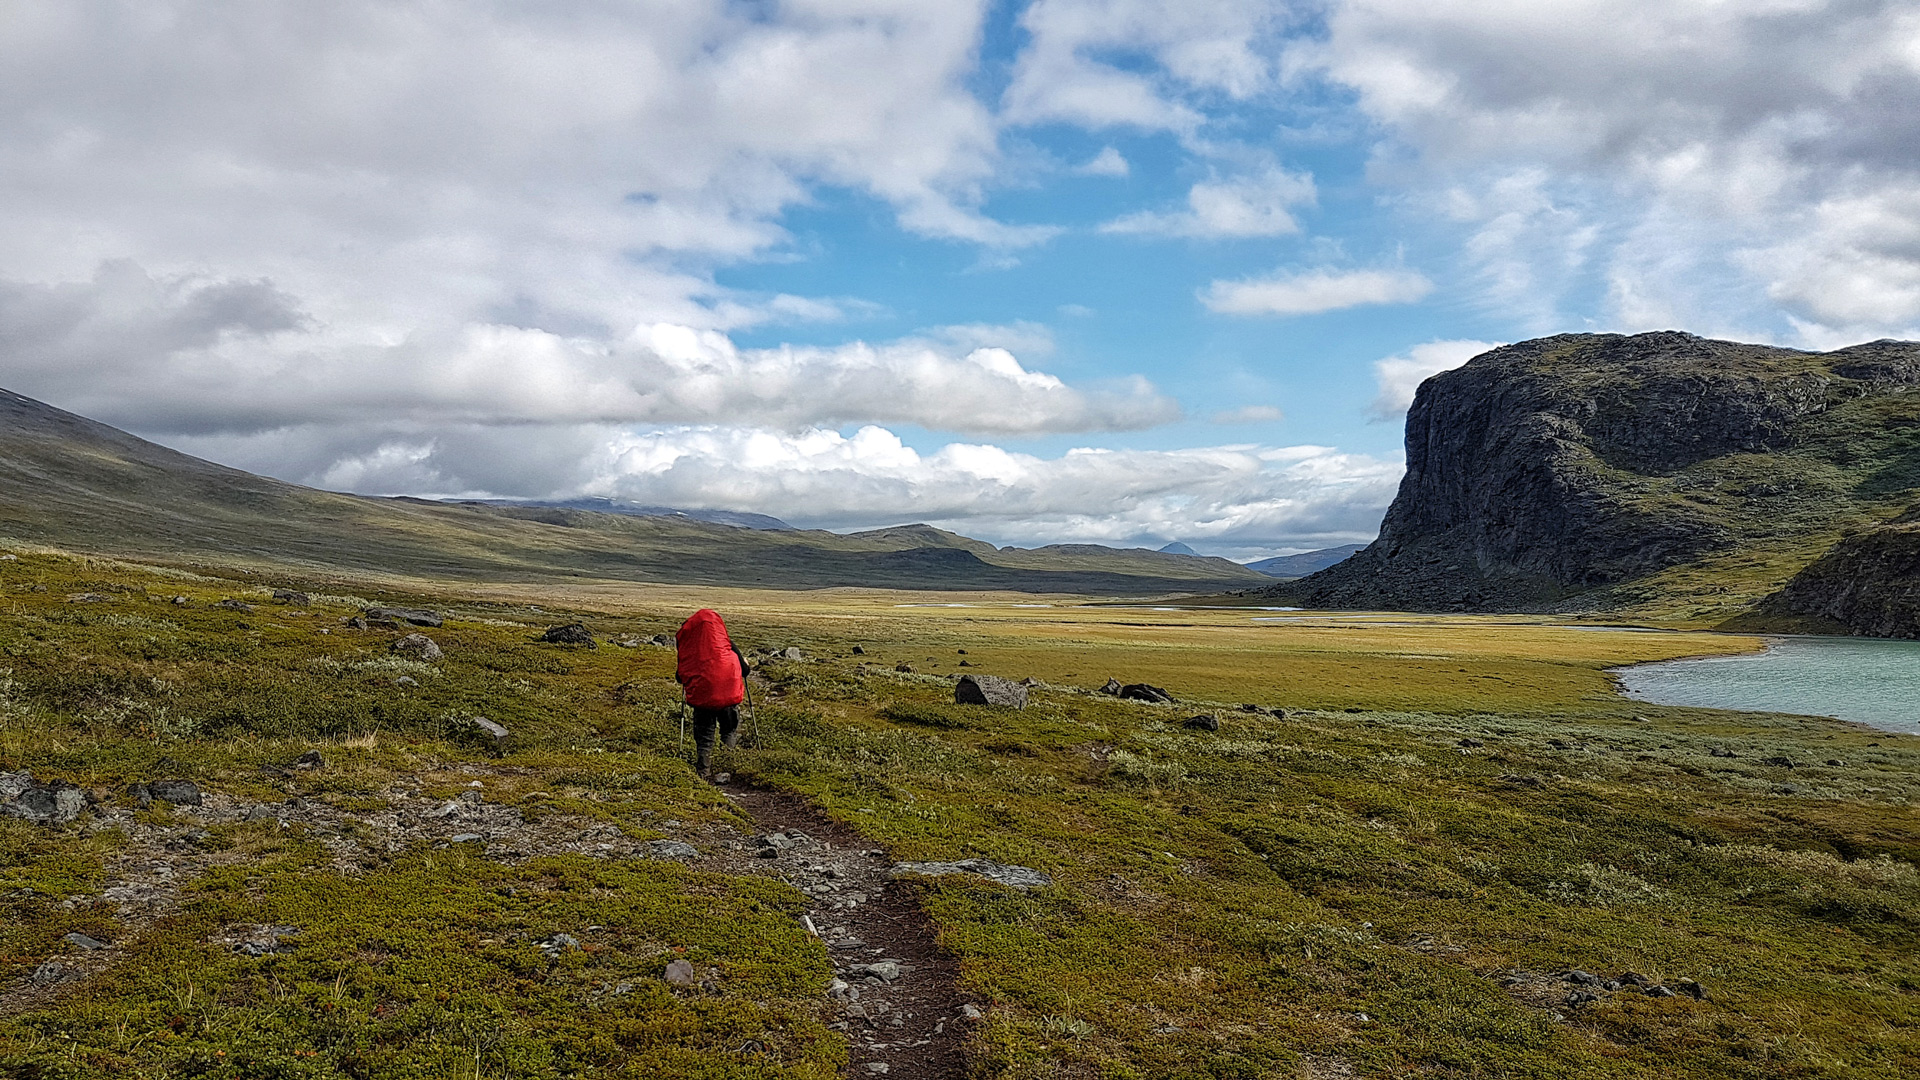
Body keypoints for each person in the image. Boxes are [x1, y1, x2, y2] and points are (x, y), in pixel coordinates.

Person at [674, 608, 749, 775]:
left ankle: (703, 772)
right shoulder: (727, 644)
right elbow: (746, 671)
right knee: (729, 731)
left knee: (705, 739)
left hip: (703, 701)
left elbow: (680, 677)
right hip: (729, 699)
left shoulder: (691, 649)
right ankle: (727, 768)